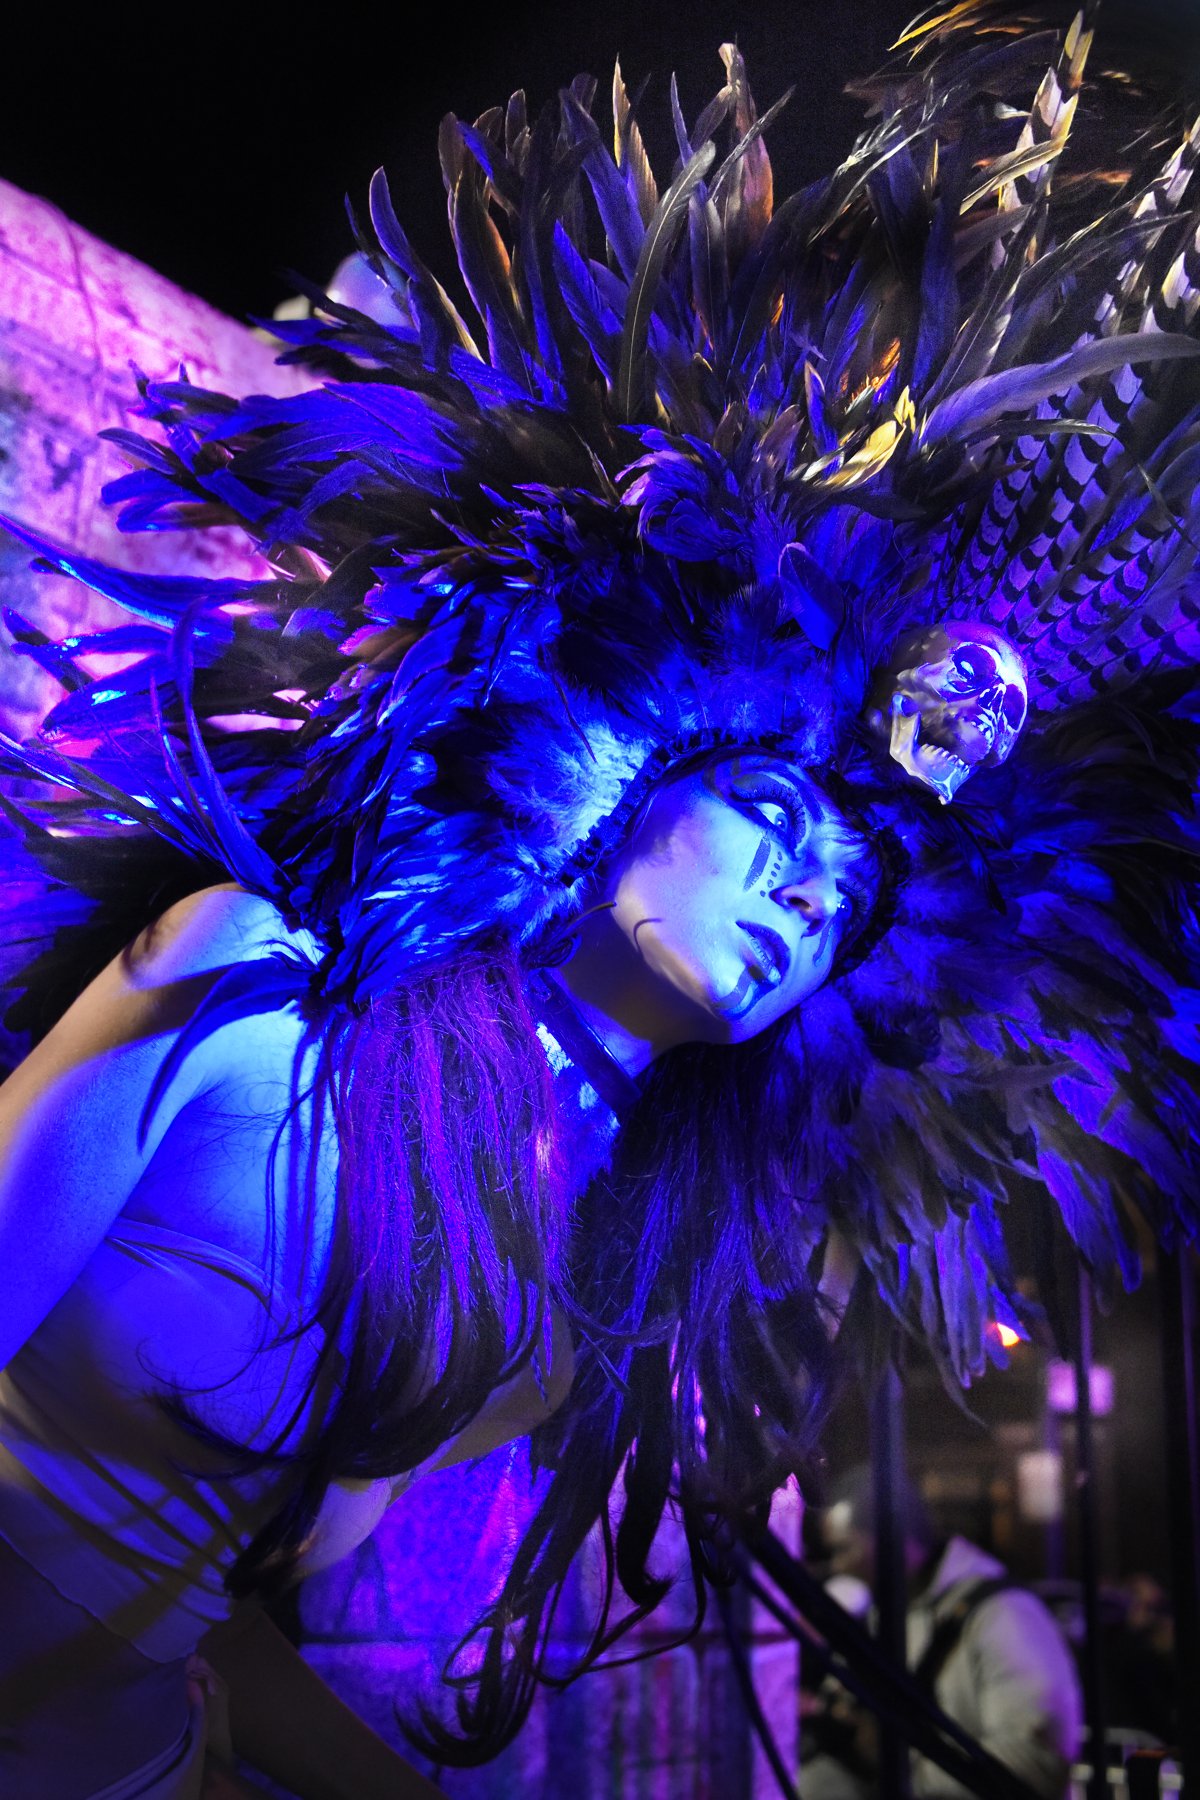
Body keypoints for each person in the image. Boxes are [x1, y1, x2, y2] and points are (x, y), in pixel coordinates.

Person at [1, 8, 1199, 1796]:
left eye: (861, 897)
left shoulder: (564, 1280)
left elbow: (224, 1624)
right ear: (637, 772)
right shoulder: (240, 981)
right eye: (787, 811)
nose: (817, 888)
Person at [801, 1468, 1082, 1799]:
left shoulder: (1003, 1614)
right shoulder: (885, 1614)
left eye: (845, 1549)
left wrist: (898, 1771)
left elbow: (1037, 1763)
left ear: (894, 1538)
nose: (838, 1567)